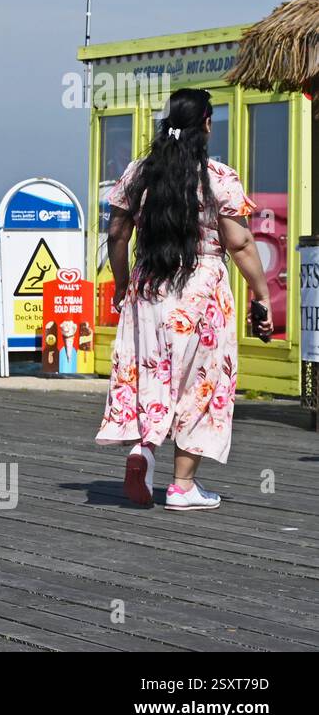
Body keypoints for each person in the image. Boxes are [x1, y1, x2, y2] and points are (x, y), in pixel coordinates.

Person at [96, 88, 273, 511]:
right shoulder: (218, 176)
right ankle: (182, 486)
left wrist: (122, 286)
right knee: (201, 382)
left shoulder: (141, 172)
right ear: (207, 125)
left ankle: (143, 450)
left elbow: (117, 235)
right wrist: (261, 294)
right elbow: (240, 242)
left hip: (149, 287)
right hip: (201, 291)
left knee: (150, 375)